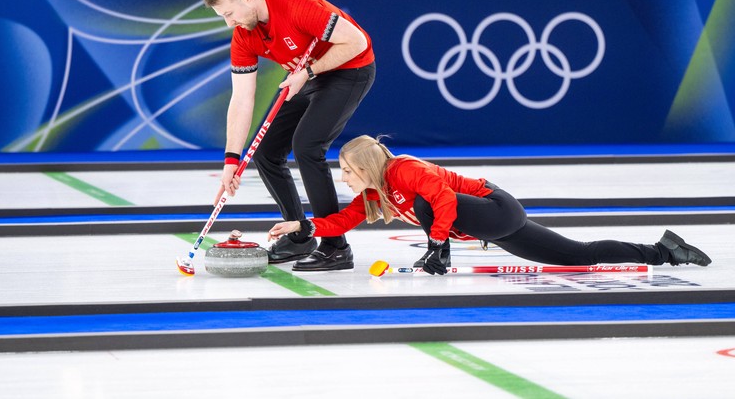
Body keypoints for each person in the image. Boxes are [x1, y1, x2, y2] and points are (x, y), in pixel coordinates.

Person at [267, 135, 712, 275]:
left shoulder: (401, 170)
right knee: (577, 257)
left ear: (365, 165)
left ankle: (438, 242)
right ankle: (663, 251)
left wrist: (437, 244)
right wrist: (304, 228)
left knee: (428, 202)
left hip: (495, 209)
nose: (343, 179)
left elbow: (440, 198)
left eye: (346, 171)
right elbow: (343, 220)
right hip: (490, 226)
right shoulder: (374, 194)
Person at [203, 0, 376, 271]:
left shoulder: (298, 6)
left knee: (307, 146)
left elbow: (357, 42)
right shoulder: (244, 36)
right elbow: (242, 100)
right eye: (223, 17)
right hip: (306, 75)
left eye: (230, 13)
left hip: (349, 69)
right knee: (266, 152)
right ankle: (299, 236)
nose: (229, 23)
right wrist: (232, 159)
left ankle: (335, 245)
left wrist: (308, 72)